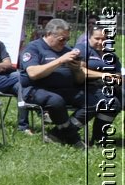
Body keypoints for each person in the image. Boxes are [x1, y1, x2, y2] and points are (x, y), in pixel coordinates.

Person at [19, 18, 101, 146]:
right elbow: (33, 73)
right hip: (36, 90)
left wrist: (77, 69)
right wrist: (60, 61)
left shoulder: (68, 50)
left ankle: (57, 134)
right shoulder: (34, 48)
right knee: (56, 101)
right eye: (61, 39)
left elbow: (79, 80)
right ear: (49, 34)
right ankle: (73, 138)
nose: (65, 42)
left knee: (93, 102)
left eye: (67, 39)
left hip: (65, 90)